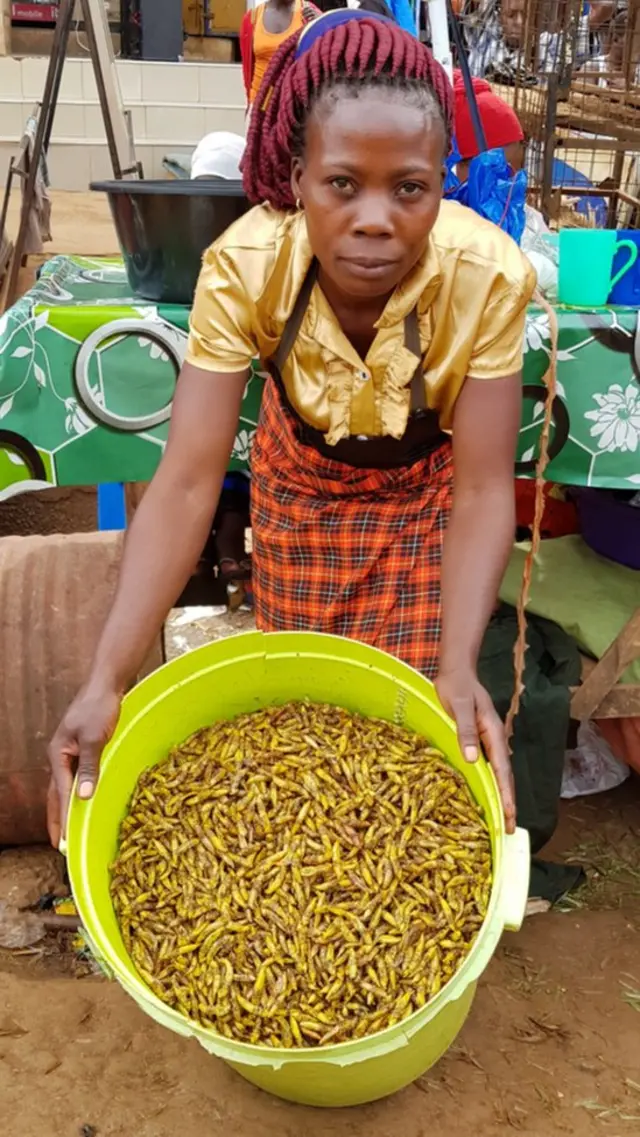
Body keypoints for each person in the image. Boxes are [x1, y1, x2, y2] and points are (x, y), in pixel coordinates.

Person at [48, 10, 537, 847]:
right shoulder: (245, 267)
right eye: (343, 184)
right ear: (297, 176)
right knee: (302, 707)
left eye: (409, 188)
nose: (376, 218)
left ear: (441, 183)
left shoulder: (487, 275)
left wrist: (461, 666)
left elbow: (485, 484)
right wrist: (107, 677)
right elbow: (191, 479)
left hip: (424, 493)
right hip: (300, 483)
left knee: (411, 702)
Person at [240, 0, 319, 108]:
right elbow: (248, 67)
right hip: (259, 106)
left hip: (295, 107)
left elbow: (326, 52)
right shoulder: (253, 18)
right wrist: (250, 104)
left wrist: (319, 24)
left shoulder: (309, 12)